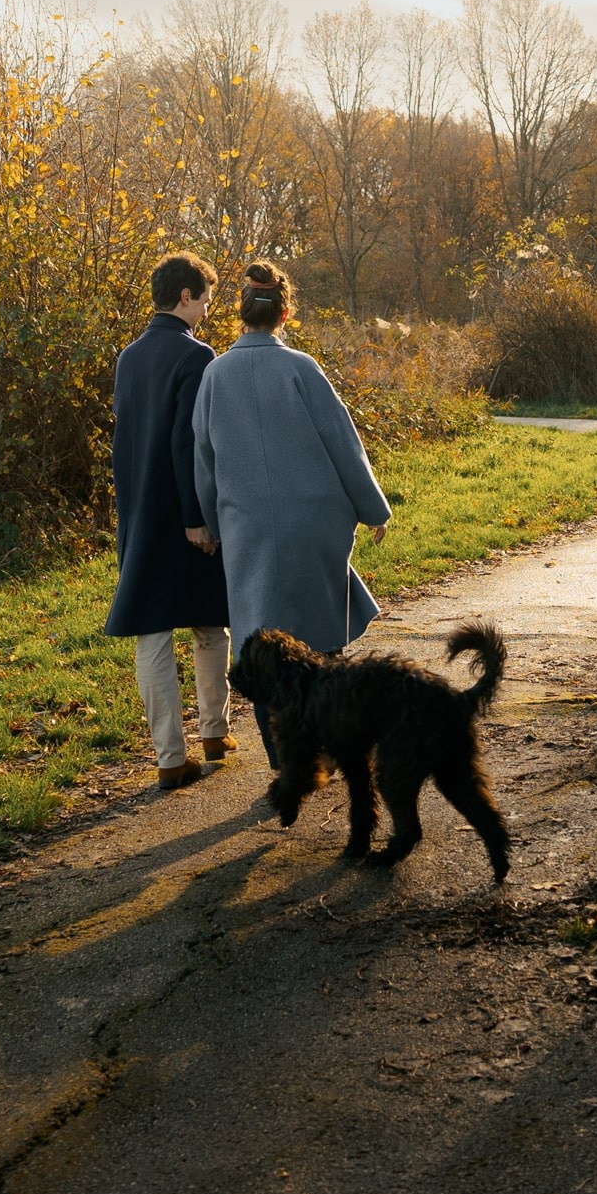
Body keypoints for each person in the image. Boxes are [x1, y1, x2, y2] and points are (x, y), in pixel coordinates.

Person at [192, 261, 392, 686]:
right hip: (313, 523)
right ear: (285, 314)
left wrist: (212, 524)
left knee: (261, 648)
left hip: (248, 529)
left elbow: (204, 461)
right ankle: (333, 737)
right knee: (321, 643)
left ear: (241, 313)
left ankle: (280, 748)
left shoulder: (214, 375)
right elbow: (343, 444)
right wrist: (373, 509)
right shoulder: (302, 368)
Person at [104, 251, 234, 791]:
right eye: (205, 297)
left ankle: (171, 755)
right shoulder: (196, 356)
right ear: (186, 296)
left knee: (153, 633)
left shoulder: (128, 357)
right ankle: (213, 731)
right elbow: (190, 444)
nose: (207, 308)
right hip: (182, 511)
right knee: (210, 622)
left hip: (138, 510)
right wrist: (197, 518)